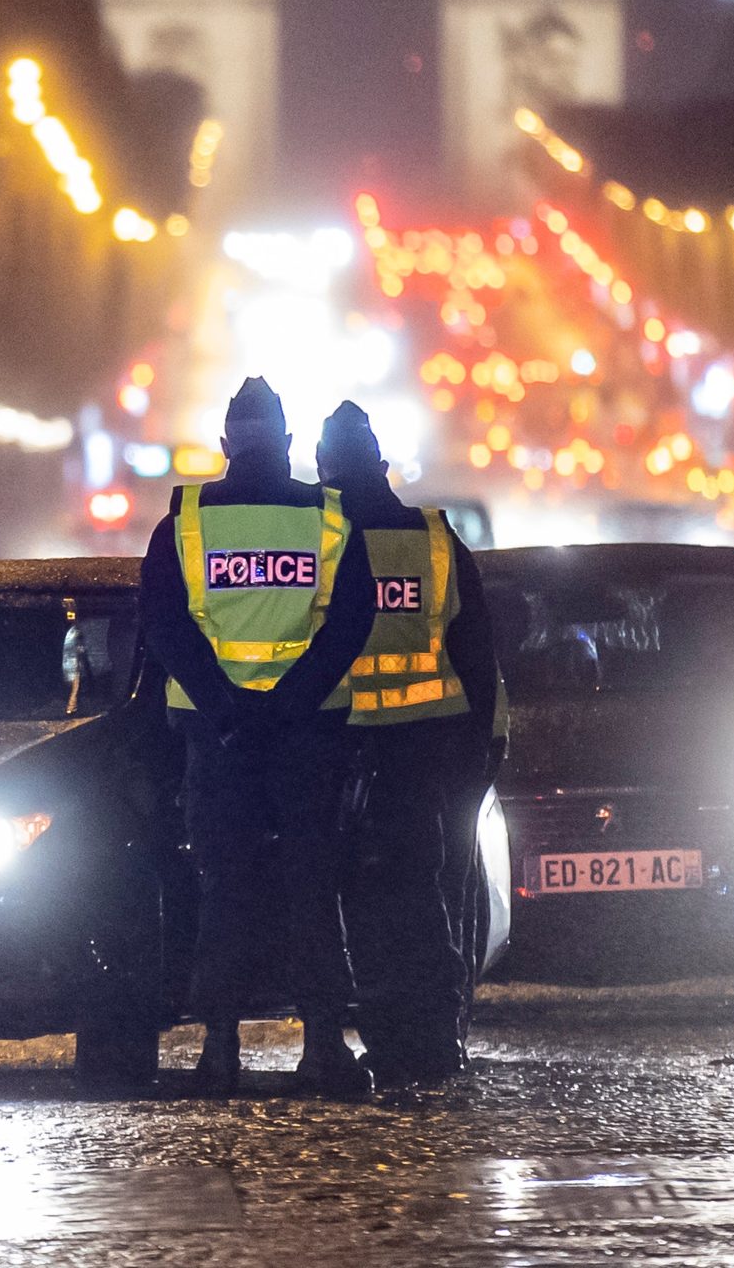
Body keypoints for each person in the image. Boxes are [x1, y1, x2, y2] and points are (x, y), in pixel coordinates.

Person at [139, 378, 377, 1097]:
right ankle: (323, 1045)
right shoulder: (330, 518)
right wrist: (290, 704)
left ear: (225, 445)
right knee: (312, 885)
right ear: (288, 443)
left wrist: (227, 710)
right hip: (308, 738)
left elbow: (164, 628)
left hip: (219, 742)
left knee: (224, 890)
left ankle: (219, 1050)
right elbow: (351, 624)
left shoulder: (183, 523)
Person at [315, 401, 504, 1088]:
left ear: (324, 468)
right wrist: (477, 754)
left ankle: (391, 1043)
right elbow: (476, 654)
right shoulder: (435, 538)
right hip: (427, 752)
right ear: (382, 464)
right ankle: (437, 1040)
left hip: (342, 751)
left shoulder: (325, 541)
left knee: (360, 907)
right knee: (429, 900)